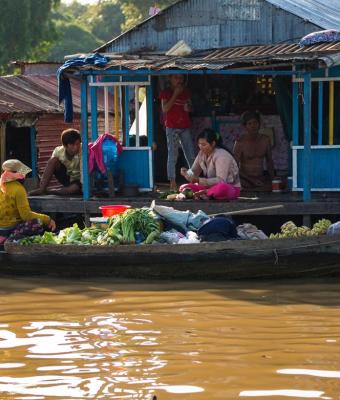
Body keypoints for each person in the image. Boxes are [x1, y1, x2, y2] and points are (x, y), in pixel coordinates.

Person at [0, 159, 56, 241]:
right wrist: (47, 219)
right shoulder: (19, 189)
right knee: (37, 223)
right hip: (10, 230)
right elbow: (26, 215)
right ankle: (9, 238)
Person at [180, 129, 241, 200]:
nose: (201, 147)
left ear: (213, 144)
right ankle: (206, 193)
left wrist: (199, 180)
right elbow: (194, 172)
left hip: (230, 188)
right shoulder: (201, 153)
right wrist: (186, 173)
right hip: (210, 186)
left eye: (204, 145)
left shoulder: (221, 155)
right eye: (199, 144)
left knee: (222, 188)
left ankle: (206, 192)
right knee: (184, 187)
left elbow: (221, 181)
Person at [160, 74, 196, 191]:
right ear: (169, 79)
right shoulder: (166, 92)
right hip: (172, 127)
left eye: (181, 78)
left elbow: (190, 108)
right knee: (173, 154)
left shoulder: (186, 92)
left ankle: (193, 180)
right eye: (176, 78)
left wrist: (189, 107)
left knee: (190, 154)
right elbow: (165, 109)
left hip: (185, 126)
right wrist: (175, 94)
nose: (179, 80)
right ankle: (172, 181)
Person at [30, 128, 82, 196]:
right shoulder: (58, 151)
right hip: (67, 177)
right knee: (53, 161)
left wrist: (85, 188)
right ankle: (42, 189)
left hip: (79, 181)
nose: (76, 147)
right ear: (65, 145)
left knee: (73, 189)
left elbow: (85, 173)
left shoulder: (83, 150)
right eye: (72, 145)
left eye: (78, 144)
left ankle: (52, 192)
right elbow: (51, 166)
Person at [233, 111, 274, 191]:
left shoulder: (265, 140)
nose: (253, 126)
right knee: (238, 184)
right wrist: (252, 180)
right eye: (250, 123)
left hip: (260, 178)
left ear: (259, 124)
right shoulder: (240, 142)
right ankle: (254, 189)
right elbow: (234, 167)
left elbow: (269, 161)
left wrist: (273, 179)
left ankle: (256, 189)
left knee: (280, 184)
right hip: (245, 179)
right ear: (245, 126)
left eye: (255, 123)